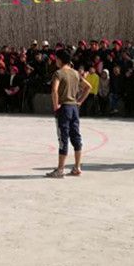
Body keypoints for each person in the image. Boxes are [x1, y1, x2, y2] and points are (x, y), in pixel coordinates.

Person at [47, 49, 91, 178]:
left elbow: (54, 90)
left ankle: (60, 169)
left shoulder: (58, 73)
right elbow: (88, 87)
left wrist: (56, 106)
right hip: (74, 108)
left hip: (64, 108)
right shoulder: (75, 73)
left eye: (56, 59)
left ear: (60, 60)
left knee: (63, 138)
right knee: (76, 137)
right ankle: (77, 167)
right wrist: (79, 101)